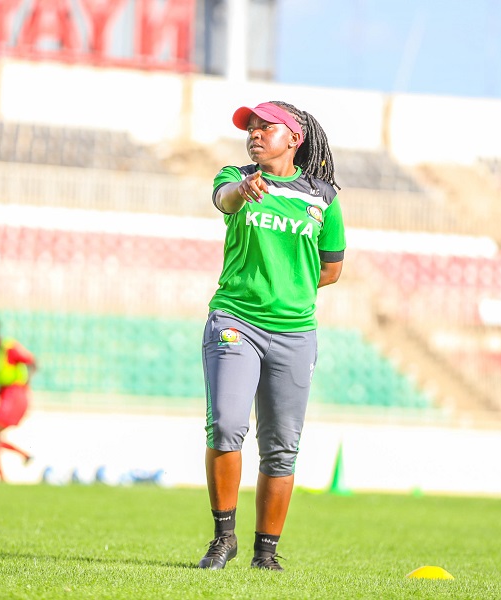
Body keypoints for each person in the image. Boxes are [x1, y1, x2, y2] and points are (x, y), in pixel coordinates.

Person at [197, 101, 345, 571]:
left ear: (294, 138)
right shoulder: (235, 177)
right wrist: (243, 189)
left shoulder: (323, 197)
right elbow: (225, 199)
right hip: (235, 322)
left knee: (282, 446)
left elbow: (331, 268)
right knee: (225, 424)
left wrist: (289, 287)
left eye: (266, 127)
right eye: (251, 128)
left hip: (295, 333)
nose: (255, 134)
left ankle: (267, 553)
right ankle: (224, 538)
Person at [0, 321, 36, 482]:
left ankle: (4, 475)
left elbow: (31, 361)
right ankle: (21, 459)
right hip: (7, 395)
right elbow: (1, 383)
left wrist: (25, 386)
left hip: (15, 395)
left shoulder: (8, 347)